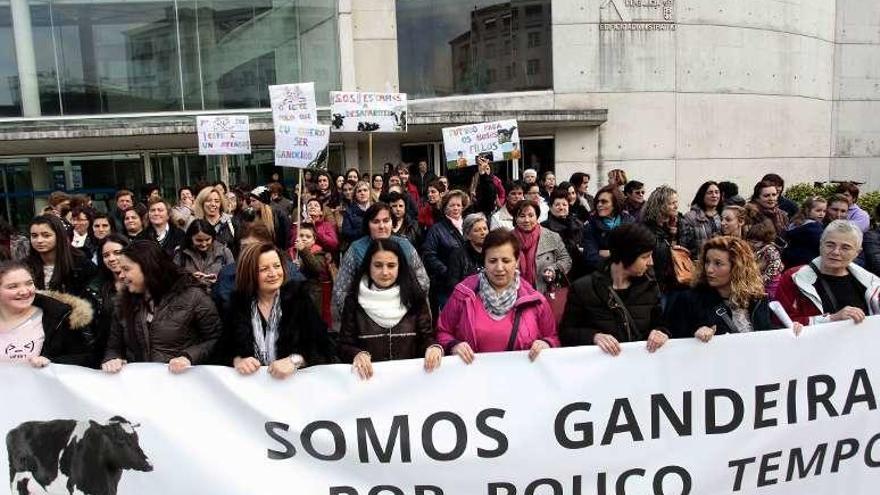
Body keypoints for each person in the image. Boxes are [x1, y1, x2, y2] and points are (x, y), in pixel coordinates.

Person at [437, 229, 559, 362]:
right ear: (484, 261)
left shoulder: (535, 301)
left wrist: (546, 344)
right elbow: (442, 332)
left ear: (517, 261)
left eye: (506, 261)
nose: (499, 268)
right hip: (474, 379)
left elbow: (553, 338)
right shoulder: (463, 294)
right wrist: (453, 346)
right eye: (493, 261)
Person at [101, 240, 222, 373]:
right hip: (141, 383)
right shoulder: (122, 302)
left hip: (181, 382)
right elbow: (114, 346)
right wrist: (113, 358)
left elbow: (216, 339)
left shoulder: (193, 296)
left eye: (126, 269)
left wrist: (188, 357)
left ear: (147, 267)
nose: (121, 275)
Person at [230, 242, 336, 379]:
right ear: (249, 272)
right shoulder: (239, 304)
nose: (273, 273)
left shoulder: (299, 299)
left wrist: (295, 360)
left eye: (277, 266)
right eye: (264, 269)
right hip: (252, 392)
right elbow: (224, 348)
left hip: (293, 390)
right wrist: (237, 360)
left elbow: (325, 346)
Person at [560, 224, 668, 355]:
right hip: (600, 369)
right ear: (626, 255)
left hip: (640, 367)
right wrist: (594, 336)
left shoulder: (650, 284)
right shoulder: (583, 289)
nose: (651, 262)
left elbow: (661, 324)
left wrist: (660, 332)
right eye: (645, 257)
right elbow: (566, 333)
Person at [340, 239, 439, 379]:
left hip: (410, 382)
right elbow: (345, 344)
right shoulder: (354, 301)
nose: (385, 272)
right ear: (368, 266)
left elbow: (426, 338)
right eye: (378, 265)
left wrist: (433, 348)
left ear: (400, 266)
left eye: (391, 265)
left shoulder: (415, 298)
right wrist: (356, 354)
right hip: (368, 384)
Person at [332, 203, 430, 330]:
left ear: (392, 222)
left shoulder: (406, 246)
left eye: (386, 220)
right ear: (368, 224)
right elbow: (341, 289)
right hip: (366, 320)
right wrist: (351, 320)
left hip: (403, 317)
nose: (382, 226)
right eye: (376, 221)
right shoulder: (356, 249)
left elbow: (423, 282)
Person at [668, 236, 787, 340]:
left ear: (737, 267)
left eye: (718, 263)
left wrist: (789, 331)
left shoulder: (757, 298)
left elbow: (766, 333)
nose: (709, 269)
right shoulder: (690, 299)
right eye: (707, 262)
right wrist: (695, 333)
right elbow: (673, 335)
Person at [776, 220, 880, 326]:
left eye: (845, 247)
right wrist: (831, 319)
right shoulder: (794, 278)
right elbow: (779, 321)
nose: (835, 252)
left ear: (857, 253)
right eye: (830, 245)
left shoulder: (871, 283)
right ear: (821, 245)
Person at [0, 261, 94, 367]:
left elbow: (85, 358)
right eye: (13, 287)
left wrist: (51, 362)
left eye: (29, 283)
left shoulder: (57, 315)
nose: (24, 291)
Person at [84, 234, 130, 367]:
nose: (112, 259)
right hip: (106, 357)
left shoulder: (141, 283)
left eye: (117, 253)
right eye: (106, 255)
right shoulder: (94, 287)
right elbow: (90, 328)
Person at [26, 214, 97, 298]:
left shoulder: (81, 265)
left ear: (59, 236)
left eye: (46, 235)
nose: (39, 240)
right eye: (34, 236)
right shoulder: (25, 266)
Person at [512, 200, 572, 294]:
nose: (527, 220)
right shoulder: (507, 239)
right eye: (522, 216)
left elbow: (566, 259)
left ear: (537, 217)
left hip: (545, 291)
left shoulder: (551, 236)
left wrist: (552, 269)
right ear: (515, 218)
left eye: (531, 216)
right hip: (515, 293)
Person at [422, 190, 469, 309]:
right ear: (445, 207)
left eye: (459, 205)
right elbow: (429, 254)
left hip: (468, 283)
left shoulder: (469, 226)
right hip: (445, 287)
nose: (456, 208)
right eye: (452, 205)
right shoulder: (437, 229)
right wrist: (447, 272)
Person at [583, 185, 634, 274]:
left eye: (604, 202)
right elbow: (591, 257)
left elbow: (636, 251)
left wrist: (610, 253)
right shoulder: (591, 226)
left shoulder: (630, 222)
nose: (599, 205)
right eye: (598, 202)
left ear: (615, 204)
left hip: (629, 274)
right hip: (602, 275)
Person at [641, 185, 682, 293]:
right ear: (660, 205)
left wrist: (673, 234)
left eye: (676, 202)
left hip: (673, 284)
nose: (676, 206)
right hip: (656, 286)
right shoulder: (646, 230)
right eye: (672, 203)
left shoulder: (675, 225)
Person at [173, 219, 234, 291]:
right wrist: (190, 278)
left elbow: (233, 279)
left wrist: (218, 280)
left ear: (213, 237)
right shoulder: (181, 254)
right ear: (191, 238)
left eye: (207, 239)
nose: (204, 244)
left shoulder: (224, 252)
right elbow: (173, 281)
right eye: (199, 240)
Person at [290, 223, 333, 324]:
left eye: (308, 237)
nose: (304, 239)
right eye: (301, 236)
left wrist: (304, 251)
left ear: (314, 240)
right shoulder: (291, 253)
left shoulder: (319, 254)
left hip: (311, 294)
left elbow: (317, 268)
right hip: (295, 295)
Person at [542, 188, 586, 279]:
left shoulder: (578, 223)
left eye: (564, 204)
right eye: (557, 205)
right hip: (557, 271)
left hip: (580, 269)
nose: (561, 207)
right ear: (550, 207)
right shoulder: (544, 227)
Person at [680, 181, 722, 260]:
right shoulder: (690, 217)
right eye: (710, 192)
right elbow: (684, 245)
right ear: (702, 195)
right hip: (698, 264)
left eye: (717, 192)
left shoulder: (723, 216)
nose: (714, 195)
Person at [783, 197, 827, 269]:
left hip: (791, 262)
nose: (822, 214)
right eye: (818, 210)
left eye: (824, 211)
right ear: (807, 210)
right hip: (807, 264)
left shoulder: (796, 223)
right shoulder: (814, 228)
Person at [745, 218, 784, 299]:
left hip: (772, 284)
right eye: (749, 241)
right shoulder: (754, 250)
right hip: (759, 282)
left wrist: (764, 278)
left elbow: (775, 265)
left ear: (764, 241)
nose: (751, 244)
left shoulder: (769, 250)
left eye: (755, 242)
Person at [447, 213, 489, 288]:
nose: (483, 233)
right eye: (477, 230)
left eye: (485, 229)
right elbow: (453, 285)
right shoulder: (457, 255)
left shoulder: (493, 251)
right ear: (468, 235)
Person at [193, 185, 238, 251]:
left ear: (221, 203)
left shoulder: (232, 223)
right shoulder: (196, 225)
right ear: (202, 203)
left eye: (216, 201)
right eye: (208, 201)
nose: (213, 204)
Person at [247, 186, 290, 250]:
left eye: (254, 201)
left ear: (262, 201)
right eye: (250, 201)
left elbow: (286, 237)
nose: (251, 204)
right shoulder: (251, 215)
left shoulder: (279, 214)